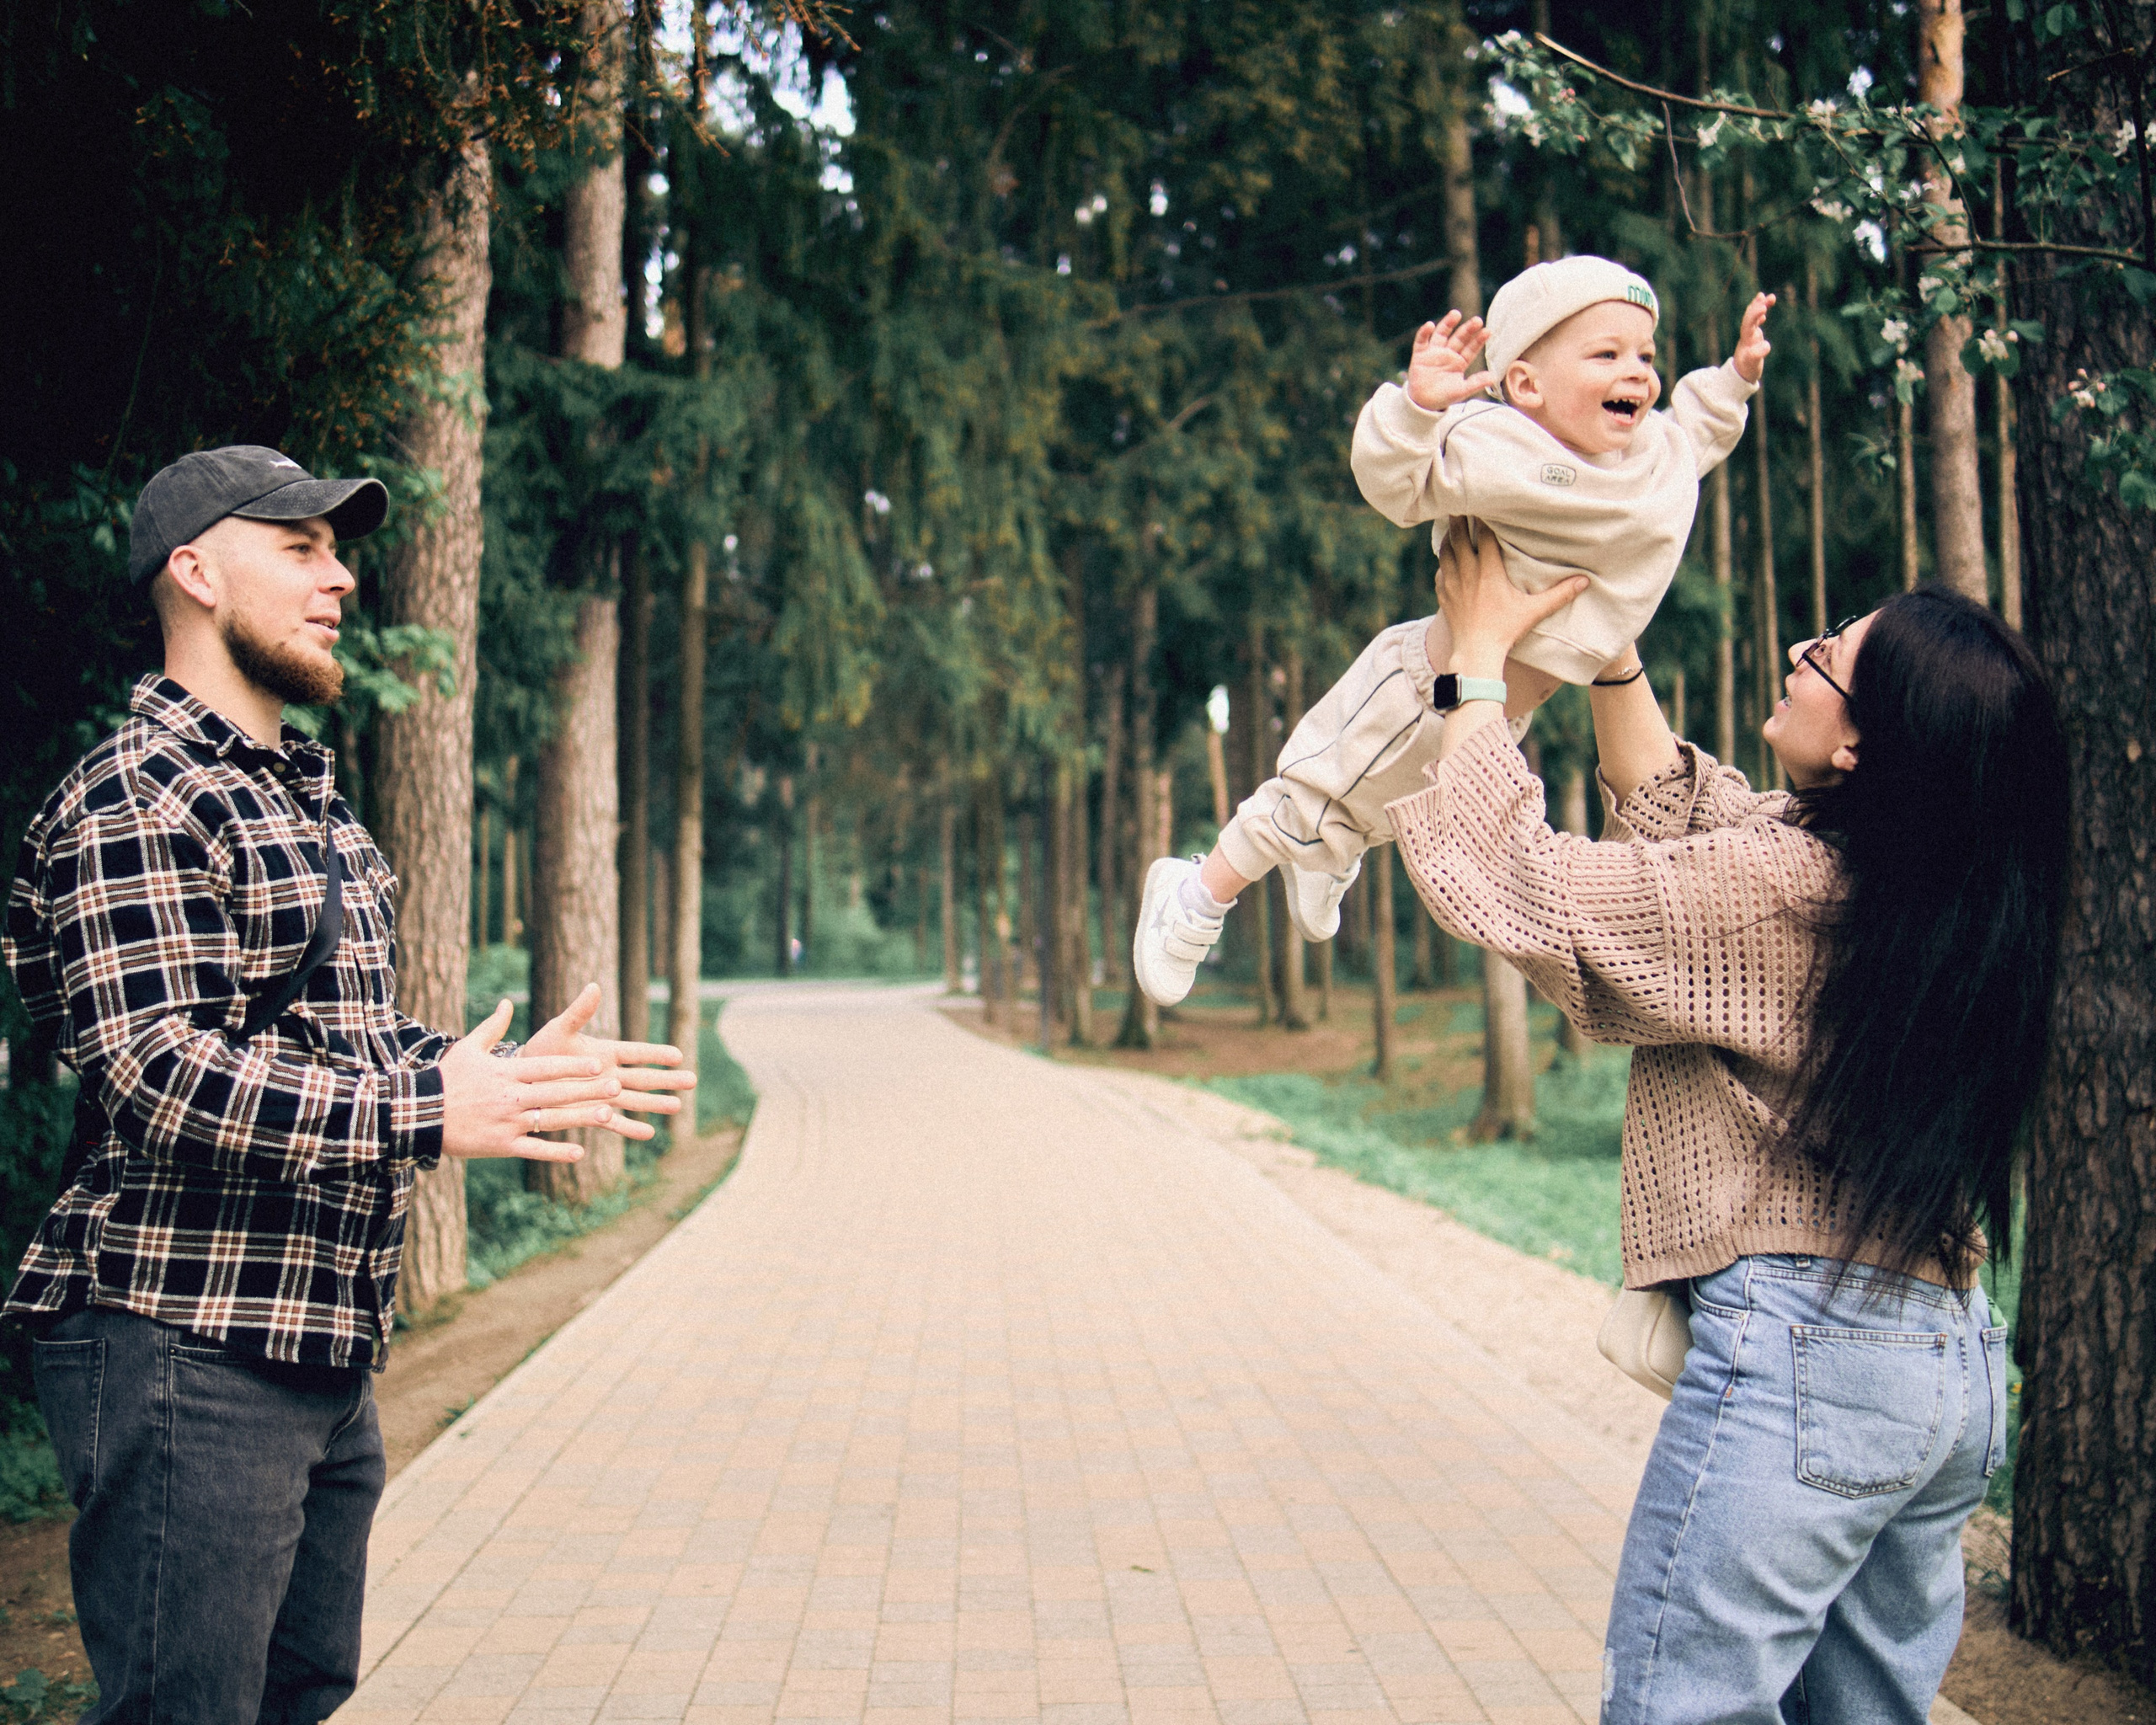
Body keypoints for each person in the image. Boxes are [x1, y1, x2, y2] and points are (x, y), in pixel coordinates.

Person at [3, 446, 698, 1725]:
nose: (342, 578)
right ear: (196, 571)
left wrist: (474, 1072)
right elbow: (161, 1073)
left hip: (321, 1345)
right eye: (301, 547)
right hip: (180, 1337)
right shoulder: (132, 799)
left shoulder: (321, 818)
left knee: (301, 1689)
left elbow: (329, 1048)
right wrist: (427, 1112)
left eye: (340, 550)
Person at [1387, 520, 2067, 1724]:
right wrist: (1612, 656)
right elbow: (1686, 820)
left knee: (1679, 1708)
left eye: (1827, 658)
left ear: (1865, 743)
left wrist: (1473, 667)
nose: (1799, 655)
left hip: (1815, 1358)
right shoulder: (1918, 896)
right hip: (1942, 1367)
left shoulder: (1788, 892)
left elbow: (1523, 883)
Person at [1130, 254, 1775, 1008]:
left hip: (1496, 699)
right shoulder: (1497, 446)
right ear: (1528, 384)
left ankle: (1327, 857)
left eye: (1645, 355)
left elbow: (1697, 430)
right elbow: (1394, 485)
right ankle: (1193, 895)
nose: (1636, 372)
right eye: (1606, 354)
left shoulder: (1648, 460)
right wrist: (1416, 410)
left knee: (1395, 803)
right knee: (1304, 800)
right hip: (1420, 682)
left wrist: (1735, 377)